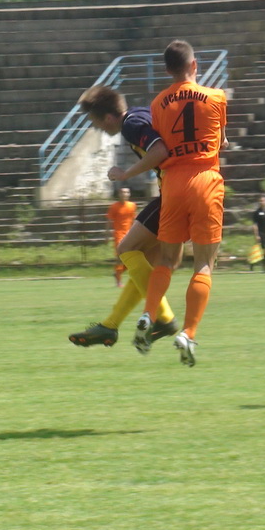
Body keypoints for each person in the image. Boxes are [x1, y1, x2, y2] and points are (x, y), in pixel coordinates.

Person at [108, 39, 228, 366]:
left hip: (172, 185)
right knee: (203, 263)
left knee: (167, 261)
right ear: (194, 66)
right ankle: (188, 332)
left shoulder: (159, 103)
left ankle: (149, 314)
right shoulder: (216, 97)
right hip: (205, 178)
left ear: (166, 70)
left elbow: (161, 145)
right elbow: (222, 141)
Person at [68, 85, 179, 350]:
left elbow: (160, 151)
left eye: (94, 121)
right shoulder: (141, 114)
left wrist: (125, 174)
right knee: (143, 266)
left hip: (176, 192)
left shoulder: (131, 124)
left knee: (126, 249)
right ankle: (110, 325)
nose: (95, 128)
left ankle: (164, 319)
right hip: (184, 191)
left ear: (108, 117)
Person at [106, 187, 137, 287]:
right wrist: (106, 234)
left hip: (129, 234)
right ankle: (119, 281)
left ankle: (117, 273)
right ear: (119, 194)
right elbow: (109, 221)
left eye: (127, 192)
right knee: (120, 257)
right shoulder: (114, 206)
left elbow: (133, 220)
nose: (125, 194)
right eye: (123, 192)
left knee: (130, 257)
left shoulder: (132, 206)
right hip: (118, 234)